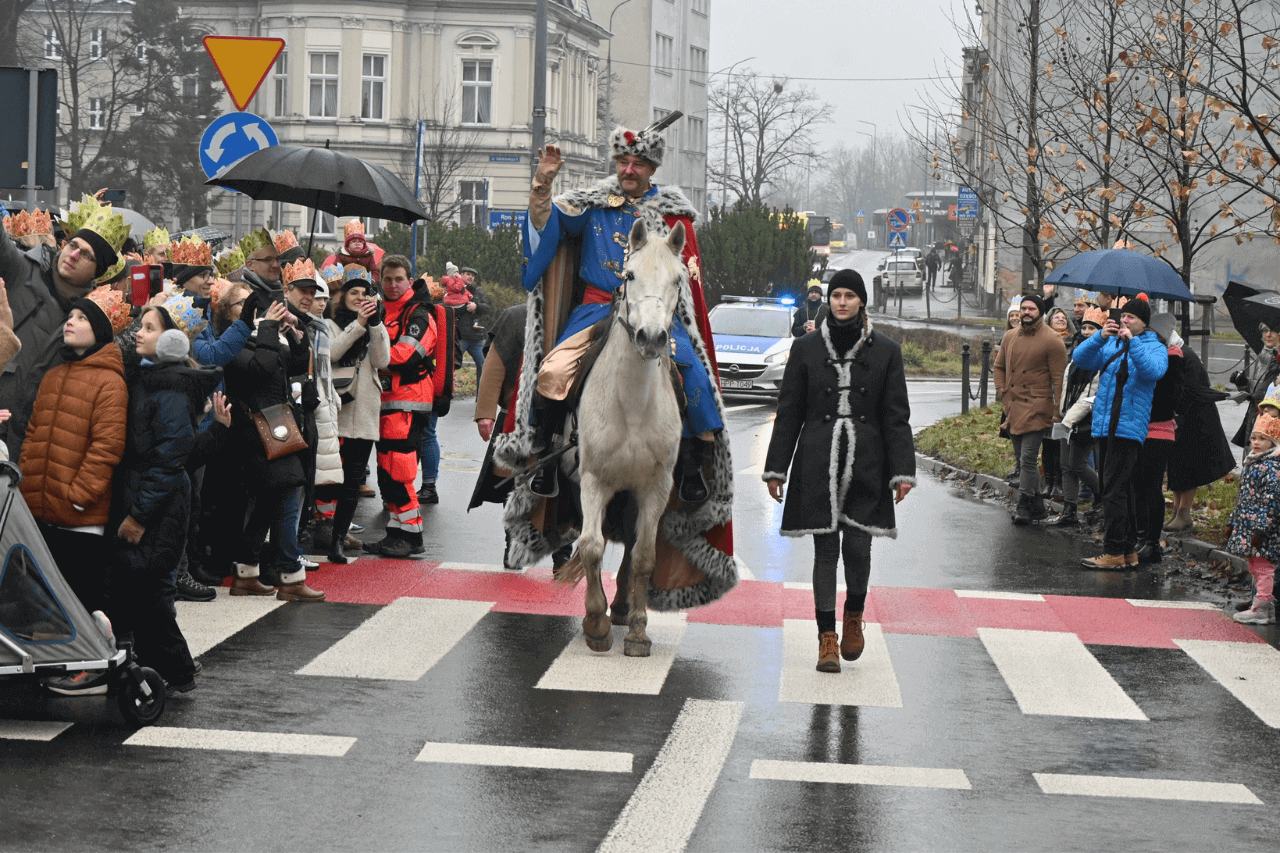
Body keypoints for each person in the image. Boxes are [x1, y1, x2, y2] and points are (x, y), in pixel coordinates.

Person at [518, 124, 725, 503]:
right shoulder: (594, 204)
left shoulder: (672, 215)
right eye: (623, 162)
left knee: (694, 377)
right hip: (597, 311)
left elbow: (686, 282)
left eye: (638, 164)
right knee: (552, 372)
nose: (629, 170)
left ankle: (693, 466)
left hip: (655, 314)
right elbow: (548, 227)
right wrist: (542, 186)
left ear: (652, 170)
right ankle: (545, 456)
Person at [763, 270, 915, 672]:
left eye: (850, 295)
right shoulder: (806, 348)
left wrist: (902, 471)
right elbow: (789, 412)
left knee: (859, 548)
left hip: (867, 461)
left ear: (862, 301)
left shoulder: (886, 351)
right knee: (826, 550)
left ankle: (854, 617)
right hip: (818, 461)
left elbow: (896, 417)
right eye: (836, 295)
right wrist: (776, 468)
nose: (842, 302)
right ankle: (826, 637)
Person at [112, 295, 224, 692]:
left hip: (156, 506)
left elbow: (169, 459)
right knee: (141, 587)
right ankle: (160, 667)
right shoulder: (155, 378)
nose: (138, 334)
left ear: (172, 340)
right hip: (153, 497)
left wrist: (139, 516)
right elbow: (185, 452)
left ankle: (176, 670)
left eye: (148, 328)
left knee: (151, 591)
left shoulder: (170, 387)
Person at [19, 286, 130, 615]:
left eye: (82, 318)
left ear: (99, 331)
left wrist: (79, 494)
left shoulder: (110, 382)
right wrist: (26, 480)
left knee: (81, 602)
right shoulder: (53, 376)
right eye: (70, 316)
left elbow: (107, 447)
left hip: (79, 516)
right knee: (41, 605)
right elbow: (33, 432)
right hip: (38, 510)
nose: (71, 322)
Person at [0, 196, 128, 460]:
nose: (73, 254)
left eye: (86, 255)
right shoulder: (21, 268)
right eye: (73, 245)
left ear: (97, 271)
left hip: (31, 446)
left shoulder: (93, 319)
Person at [1071, 294, 1168, 569]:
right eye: (1123, 316)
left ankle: (1113, 551)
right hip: (1104, 425)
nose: (1124, 321)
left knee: (1113, 491)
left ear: (1143, 323)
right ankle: (1127, 552)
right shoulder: (1111, 342)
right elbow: (1081, 358)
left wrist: (1133, 342)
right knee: (1115, 489)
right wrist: (1101, 336)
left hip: (1128, 428)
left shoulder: (1153, 346)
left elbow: (1152, 372)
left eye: (1131, 318)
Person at [363, 254, 439, 558]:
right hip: (384, 402)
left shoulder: (419, 313)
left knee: (399, 469)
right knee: (385, 471)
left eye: (399, 279)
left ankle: (412, 535)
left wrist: (373, 357)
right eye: (387, 279)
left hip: (408, 402)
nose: (392, 285)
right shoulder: (381, 309)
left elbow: (406, 355)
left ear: (410, 279)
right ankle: (395, 532)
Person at [321, 270, 388, 563]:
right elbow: (333, 353)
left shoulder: (375, 323)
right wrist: (358, 325)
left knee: (352, 480)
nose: (361, 299)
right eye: (354, 294)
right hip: (336, 409)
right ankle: (318, 530)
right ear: (343, 298)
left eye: (366, 294)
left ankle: (337, 539)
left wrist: (374, 324)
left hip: (364, 410)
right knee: (326, 477)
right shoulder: (328, 325)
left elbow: (381, 360)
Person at [993, 293, 1068, 524]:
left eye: (1031, 309)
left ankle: (1024, 504)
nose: (1026, 313)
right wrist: (1002, 393)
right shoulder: (1010, 336)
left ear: (1041, 313)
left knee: (1027, 458)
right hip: (1013, 406)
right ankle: (1038, 507)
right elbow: (998, 367)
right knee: (1020, 457)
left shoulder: (1052, 339)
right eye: (1023, 308)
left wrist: (1057, 410)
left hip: (1038, 406)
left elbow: (1059, 379)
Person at [1132, 312, 1184, 564]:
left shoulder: (1173, 355)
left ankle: (1152, 543)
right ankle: (1141, 538)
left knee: (1151, 486)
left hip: (1159, 428)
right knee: (1138, 486)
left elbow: (1171, 397)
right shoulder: (1144, 350)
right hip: (1137, 427)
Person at [1049, 306, 1104, 527]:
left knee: (1077, 464)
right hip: (1066, 419)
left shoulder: (1100, 362)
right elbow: (1064, 387)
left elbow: (1088, 397)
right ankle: (1069, 511)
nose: (1087, 332)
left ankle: (1102, 496)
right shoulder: (1074, 359)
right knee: (1065, 465)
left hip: (1084, 421)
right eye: (1085, 327)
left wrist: (1067, 421)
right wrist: (1059, 413)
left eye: (1093, 328)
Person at [1226, 412, 1280, 624]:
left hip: (1263, 530)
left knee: (1264, 567)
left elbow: (1271, 503)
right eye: (1254, 438)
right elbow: (1243, 499)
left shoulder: (1272, 468)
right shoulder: (1253, 463)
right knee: (1256, 566)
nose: (1256, 443)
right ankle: (1261, 602)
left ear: (1273, 441)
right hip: (1249, 526)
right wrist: (1233, 521)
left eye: (1262, 438)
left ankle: (1262, 607)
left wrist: (1260, 530)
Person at [1230, 323, 1280, 455]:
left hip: (1272, 421)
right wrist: (1243, 384)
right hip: (1256, 415)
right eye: (1265, 330)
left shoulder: (1277, 359)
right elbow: (1255, 388)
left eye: (1273, 330)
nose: (1268, 335)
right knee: (1252, 458)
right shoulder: (1262, 354)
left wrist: (1262, 395)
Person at [455, 266, 492, 377]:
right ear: (461, 275)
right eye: (468, 274)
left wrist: (476, 306)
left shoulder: (478, 292)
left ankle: (480, 394)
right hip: (460, 337)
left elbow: (488, 308)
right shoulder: (454, 290)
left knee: (483, 365)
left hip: (477, 339)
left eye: (472, 275)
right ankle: (447, 392)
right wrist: (466, 306)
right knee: (451, 365)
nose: (470, 277)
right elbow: (449, 308)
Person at [238, 229, 283, 303]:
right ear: (250, 265)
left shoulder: (281, 291)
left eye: (277, 259)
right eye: (267, 259)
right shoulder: (243, 295)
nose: (276, 265)